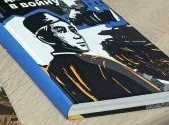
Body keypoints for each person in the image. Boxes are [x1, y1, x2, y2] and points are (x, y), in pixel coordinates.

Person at [23, 11, 161, 102]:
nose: (76, 35)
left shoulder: (54, 67)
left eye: (72, 29)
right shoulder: (96, 62)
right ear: (44, 38)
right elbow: (150, 90)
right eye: (62, 30)